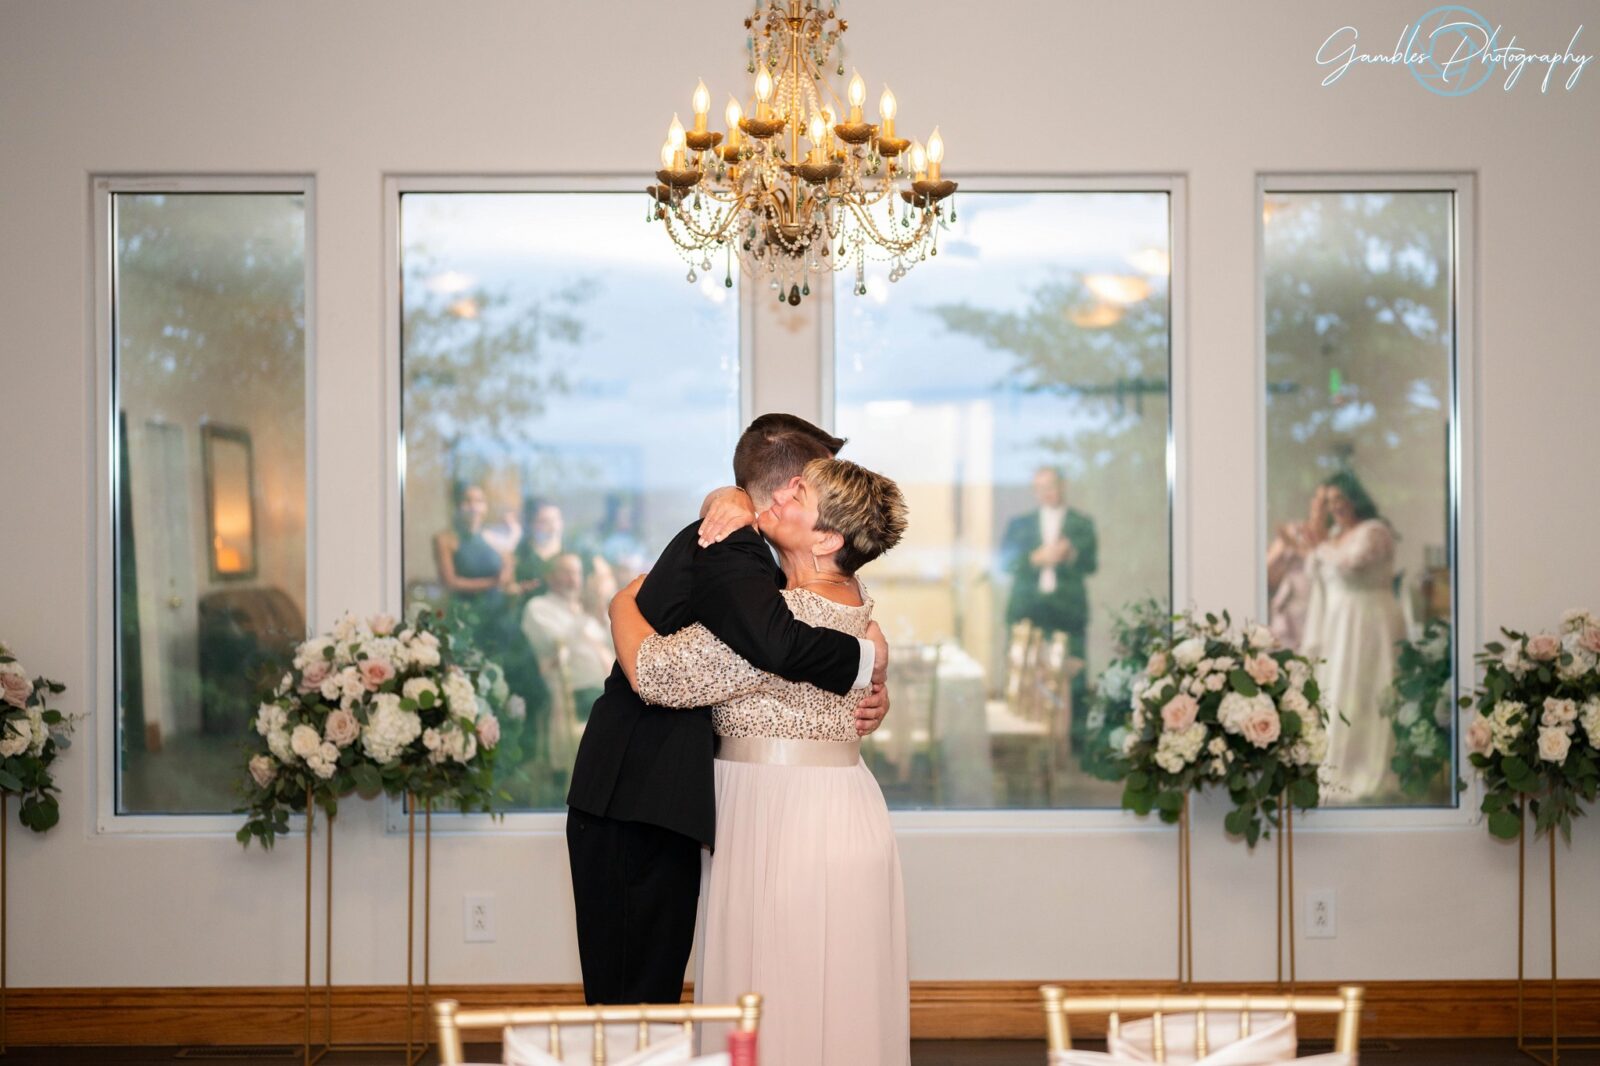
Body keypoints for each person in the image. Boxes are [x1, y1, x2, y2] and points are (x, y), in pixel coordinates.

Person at [564, 413, 891, 1006]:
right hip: (633, 800)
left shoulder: (765, 570)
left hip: (690, 803)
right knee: (633, 1005)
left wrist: (867, 669)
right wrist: (864, 661)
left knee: (686, 996)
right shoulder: (730, 552)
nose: (798, 494)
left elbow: (791, 637)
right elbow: (678, 669)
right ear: (784, 488)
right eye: (804, 485)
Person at [610, 457, 910, 1066]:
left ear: (827, 538)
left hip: (784, 819)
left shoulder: (780, 621)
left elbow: (657, 674)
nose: (780, 492)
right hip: (839, 807)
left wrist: (620, 602)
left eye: (799, 491)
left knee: (775, 997)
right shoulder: (857, 608)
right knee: (828, 995)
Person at [1299, 470, 1404, 802]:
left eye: (1340, 499)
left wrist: (1321, 546)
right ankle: (1337, 770)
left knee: (1368, 691)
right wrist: (1320, 543)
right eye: (1330, 501)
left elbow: (1353, 563)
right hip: (1339, 625)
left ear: (1354, 497)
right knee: (1339, 691)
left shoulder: (1375, 531)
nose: (1336, 507)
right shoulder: (1333, 534)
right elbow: (1313, 570)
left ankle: (1368, 771)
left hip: (1370, 622)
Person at [1000, 466, 1099, 745]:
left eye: (1051, 485)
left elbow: (1091, 564)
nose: (1047, 492)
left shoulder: (1081, 523)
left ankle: (1075, 744)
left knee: (1074, 677)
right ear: (1035, 490)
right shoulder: (1020, 524)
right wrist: (1035, 558)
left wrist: (1070, 555)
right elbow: (1005, 563)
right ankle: (1023, 742)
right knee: (1023, 674)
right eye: (1040, 487)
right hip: (1028, 610)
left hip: (1067, 611)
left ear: (1063, 484)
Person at [521, 553, 616, 774]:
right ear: (550, 576)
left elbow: (614, 648)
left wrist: (603, 615)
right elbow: (557, 646)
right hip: (577, 695)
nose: (573, 578)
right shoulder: (539, 608)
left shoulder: (587, 613)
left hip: (607, 690)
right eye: (567, 572)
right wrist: (586, 616)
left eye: (577, 572)